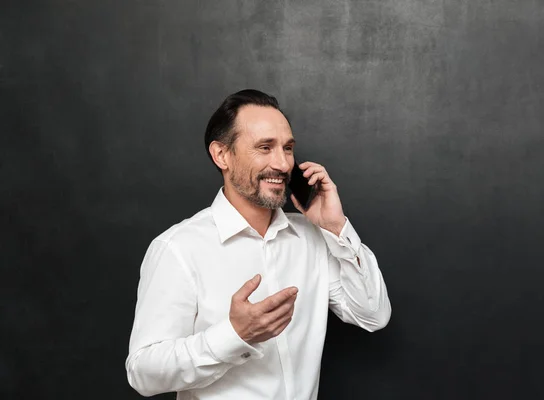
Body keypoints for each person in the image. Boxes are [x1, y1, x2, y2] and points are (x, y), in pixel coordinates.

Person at [125, 89, 391, 399]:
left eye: (287, 148)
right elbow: (143, 373)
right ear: (222, 155)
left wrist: (335, 226)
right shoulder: (178, 248)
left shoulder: (313, 238)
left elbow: (372, 315)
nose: (282, 163)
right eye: (265, 147)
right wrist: (234, 335)